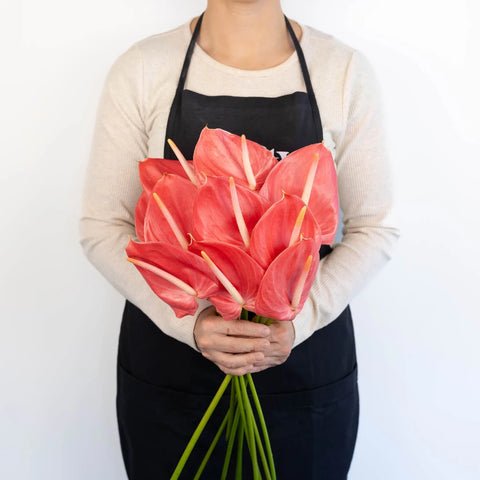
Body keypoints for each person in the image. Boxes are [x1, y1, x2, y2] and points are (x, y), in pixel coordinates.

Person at [80, 0, 399, 478]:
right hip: (172, 377)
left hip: (303, 375)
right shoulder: (144, 69)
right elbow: (102, 226)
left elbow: (377, 227)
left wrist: (299, 320)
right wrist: (191, 325)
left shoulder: (343, 71)